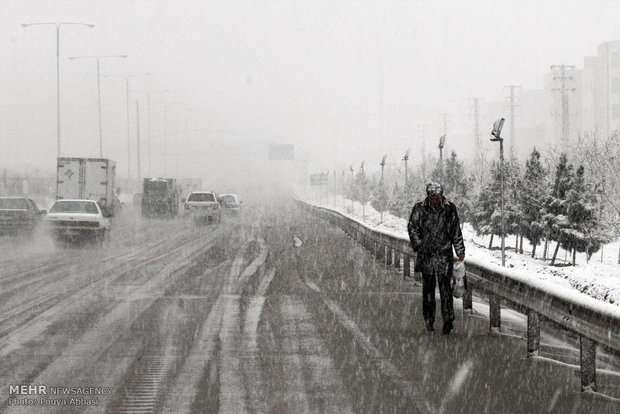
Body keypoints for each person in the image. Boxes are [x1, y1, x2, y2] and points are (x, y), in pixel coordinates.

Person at [407, 182, 465, 335]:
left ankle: (448, 320)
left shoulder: (449, 209)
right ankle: (429, 320)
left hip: (444, 256)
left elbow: (455, 231)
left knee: (446, 290)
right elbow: (412, 227)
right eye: (432, 196)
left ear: (441, 195)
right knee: (428, 291)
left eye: (437, 196)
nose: (434, 199)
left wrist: (460, 251)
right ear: (428, 195)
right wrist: (419, 244)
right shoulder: (419, 208)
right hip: (426, 256)